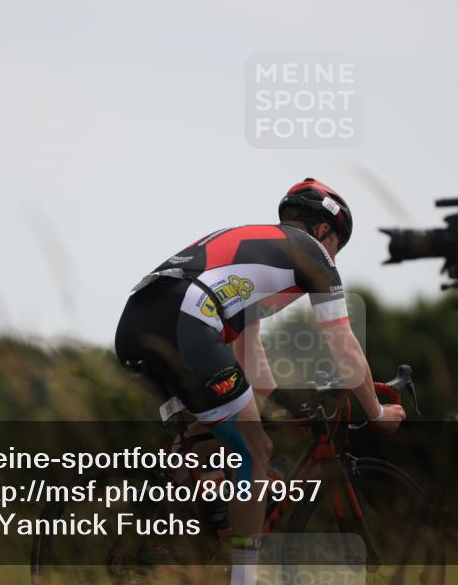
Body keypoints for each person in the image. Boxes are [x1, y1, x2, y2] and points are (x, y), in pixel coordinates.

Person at [114, 177, 406, 585]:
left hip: (136, 325)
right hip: (186, 322)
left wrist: (283, 407)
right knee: (256, 447)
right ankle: (244, 580)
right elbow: (345, 346)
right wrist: (375, 412)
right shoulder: (312, 254)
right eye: (337, 245)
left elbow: (257, 376)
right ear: (325, 231)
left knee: (220, 437)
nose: (334, 256)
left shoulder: (253, 258)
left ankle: (159, 524)